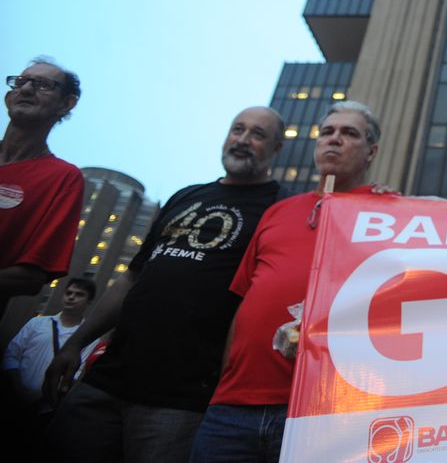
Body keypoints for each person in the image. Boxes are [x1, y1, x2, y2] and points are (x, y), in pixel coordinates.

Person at [43, 107, 285, 463]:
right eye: (238, 129)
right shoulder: (185, 195)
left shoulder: (278, 207)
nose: (243, 140)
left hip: (181, 400)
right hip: (104, 381)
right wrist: (76, 344)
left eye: (258, 134)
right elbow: (131, 277)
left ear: (277, 148)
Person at [190, 101, 383, 463]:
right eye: (327, 132)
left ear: (371, 151)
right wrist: (224, 379)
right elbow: (245, 299)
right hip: (232, 409)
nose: (334, 140)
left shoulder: (391, 214)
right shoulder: (279, 211)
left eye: (349, 134)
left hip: (325, 412)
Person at [1, 57, 84, 321]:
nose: (25, 89)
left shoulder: (63, 178)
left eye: (43, 85)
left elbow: (32, 276)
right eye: (21, 82)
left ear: (66, 104)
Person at [3, 277, 96, 428]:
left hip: (47, 410)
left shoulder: (88, 338)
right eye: (69, 293)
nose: (71, 297)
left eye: (79, 294)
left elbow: (78, 373)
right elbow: (12, 355)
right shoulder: (37, 323)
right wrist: (18, 388)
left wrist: (40, 397)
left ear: (89, 301)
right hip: (12, 399)